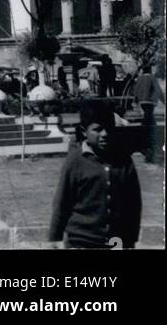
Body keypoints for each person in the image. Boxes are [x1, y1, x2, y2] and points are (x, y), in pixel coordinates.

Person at [48, 103, 141, 250]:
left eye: (109, 128)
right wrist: (54, 237)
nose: (105, 134)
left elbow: (133, 203)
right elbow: (62, 201)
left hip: (116, 240)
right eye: (98, 130)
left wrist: (131, 238)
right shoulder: (75, 161)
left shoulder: (123, 160)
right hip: (81, 240)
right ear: (85, 132)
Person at [133, 63, 163, 165]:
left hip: (142, 101)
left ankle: (146, 131)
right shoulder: (152, 78)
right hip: (150, 101)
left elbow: (136, 89)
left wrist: (135, 100)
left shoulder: (140, 78)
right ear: (149, 70)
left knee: (148, 116)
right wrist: (164, 100)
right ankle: (149, 134)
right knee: (149, 117)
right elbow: (158, 90)